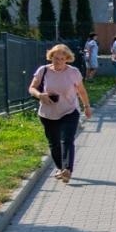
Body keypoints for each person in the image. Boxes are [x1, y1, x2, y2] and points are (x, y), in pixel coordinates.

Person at [29, 43, 92, 184]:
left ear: (67, 59)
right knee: (54, 143)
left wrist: (87, 106)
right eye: (55, 58)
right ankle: (60, 168)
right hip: (47, 113)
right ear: (51, 57)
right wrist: (40, 95)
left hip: (69, 110)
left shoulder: (73, 72)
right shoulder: (43, 70)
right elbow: (32, 88)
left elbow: (81, 91)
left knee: (67, 139)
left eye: (62, 59)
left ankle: (67, 169)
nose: (58, 61)